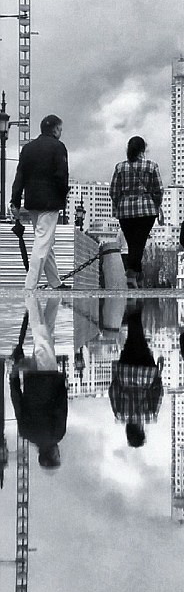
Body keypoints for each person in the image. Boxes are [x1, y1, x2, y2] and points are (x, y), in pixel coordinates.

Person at [9, 113, 68, 291]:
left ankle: (55, 282)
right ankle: (30, 285)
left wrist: (15, 200)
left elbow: (20, 176)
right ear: (55, 129)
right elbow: (61, 175)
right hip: (51, 200)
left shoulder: (28, 148)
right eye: (60, 129)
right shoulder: (58, 147)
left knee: (45, 240)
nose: (60, 133)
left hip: (32, 200)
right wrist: (63, 195)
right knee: (43, 241)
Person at [10, 295, 68, 469]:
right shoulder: (26, 433)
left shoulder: (57, 434)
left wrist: (62, 382)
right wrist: (14, 378)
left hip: (49, 378)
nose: (59, 452)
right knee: (46, 335)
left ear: (53, 454)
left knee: (42, 337)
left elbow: (61, 406)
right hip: (31, 380)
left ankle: (31, 296)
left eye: (57, 455)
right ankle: (55, 296)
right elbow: (17, 403)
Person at [110, 135, 164, 289]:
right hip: (146, 210)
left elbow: (113, 191)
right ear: (143, 149)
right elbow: (159, 189)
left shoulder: (120, 167)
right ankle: (132, 274)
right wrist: (156, 205)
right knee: (139, 243)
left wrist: (119, 204)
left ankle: (137, 275)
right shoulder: (152, 166)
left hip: (125, 211)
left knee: (132, 242)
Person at [109, 301, 164, 447]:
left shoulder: (150, 416)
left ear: (141, 430)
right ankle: (133, 312)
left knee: (141, 343)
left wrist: (158, 375)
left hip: (147, 373)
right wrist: (117, 376)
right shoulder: (119, 415)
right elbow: (113, 391)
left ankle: (135, 311)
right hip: (125, 371)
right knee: (131, 342)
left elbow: (158, 393)